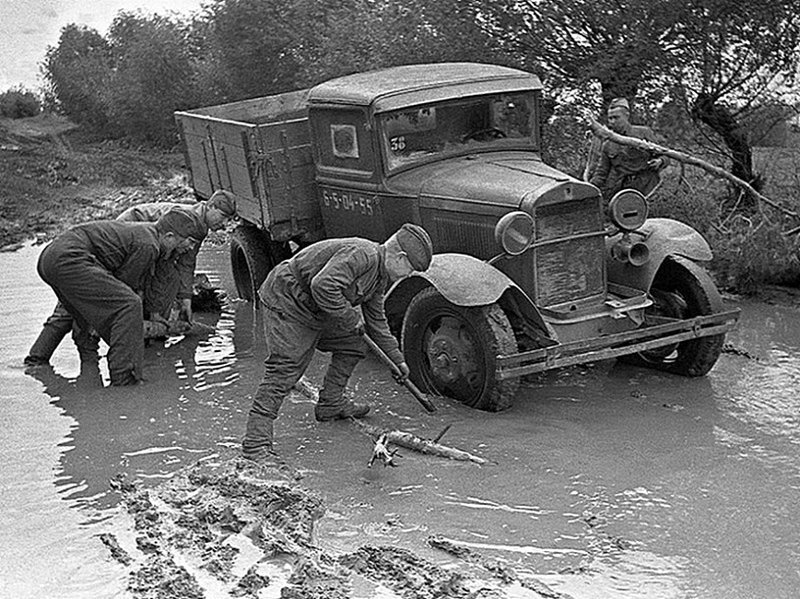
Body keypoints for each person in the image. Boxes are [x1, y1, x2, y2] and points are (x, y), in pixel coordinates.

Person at [242, 223, 434, 463]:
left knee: (354, 343)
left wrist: (398, 361)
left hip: (317, 308)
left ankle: (331, 402)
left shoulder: (380, 276)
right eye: (410, 269)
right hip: (288, 300)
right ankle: (255, 444)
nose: (407, 276)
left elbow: (377, 321)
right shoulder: (363, 255)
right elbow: (323, 285)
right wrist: (349, 316)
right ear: (400, 257)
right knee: (285, 369)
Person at [24, 190, 236, 366]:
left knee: (101, 299)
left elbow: (184, 265)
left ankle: (92, 358)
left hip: (138, 243)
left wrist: (186, 299)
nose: (224, 224)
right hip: (130, 234)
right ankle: (42, 358)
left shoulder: (198, 227)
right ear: (210, 206)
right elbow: (153, 271)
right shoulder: (185, 222)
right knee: (91, 300)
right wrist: (149, 308)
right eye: (223, 217)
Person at [34, 210, 197, 385]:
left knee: (81, 313)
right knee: (129, 305)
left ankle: (39, 362)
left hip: (50, 258)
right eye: (188, 240)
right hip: (70, 258)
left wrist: (155, 313)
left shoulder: (149, 235)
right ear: (170, 236)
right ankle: (124, 379)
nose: (190, 247)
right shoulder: (148, 245)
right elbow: (126, 284)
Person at [589, 97, 668, 201]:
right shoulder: (608, 144)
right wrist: (588, 188)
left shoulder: (643, 133)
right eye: (610, 118)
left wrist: (659, 161)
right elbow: (602, 172)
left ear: (626, 116)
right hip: (622, 188)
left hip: (647, 185)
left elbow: (665, 155)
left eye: (616, 117)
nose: (612, 122)